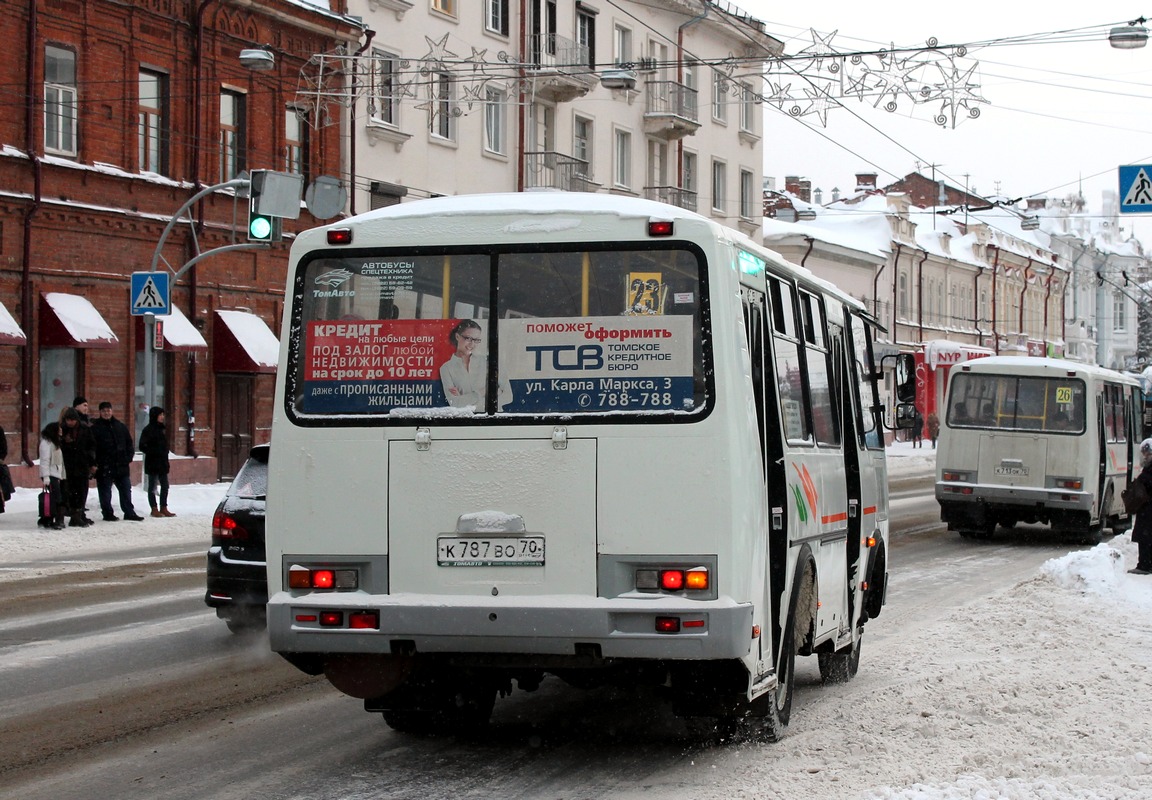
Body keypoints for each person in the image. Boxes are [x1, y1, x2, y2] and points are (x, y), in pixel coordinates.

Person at [91, 401, 144, 522]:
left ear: (112, 411)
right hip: (104, 465)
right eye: (104, 411)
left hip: (121, 465)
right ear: (100, 412)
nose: (106, 413)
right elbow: (91, 447)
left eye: (108, 410)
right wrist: (95, 463)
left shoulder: (120, 426)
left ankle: (129, 512)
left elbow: (129, 443)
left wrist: (128, 458)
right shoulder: (95, 428)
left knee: (125, 489)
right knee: (105, 491)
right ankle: (107, 513)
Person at [59, 406, 96, 527]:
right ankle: (69, 515)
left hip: (82, 465)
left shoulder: (84, 429)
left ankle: (77, 516)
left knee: (81, 492)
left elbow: (91, 446)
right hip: (67, 466)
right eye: (68, 420)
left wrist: (92, 463)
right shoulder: (61, 430)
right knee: (68, 492)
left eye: (72, 420)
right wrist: (65, 442)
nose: (70, 423)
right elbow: (57, 448)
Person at [440, 319, 487, 409]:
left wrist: (463, 399)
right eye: (468, 338)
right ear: (457, 336)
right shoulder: (446, 368)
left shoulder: (485, 362)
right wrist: (482, 392)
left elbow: (504, 394)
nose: (472, 344)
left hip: (487, 420)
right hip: (463, 420)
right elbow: (454, 403)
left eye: (476, 340)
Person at [139, 406, 175, 518]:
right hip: (153, 462)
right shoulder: (148, 430)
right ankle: (154, 508)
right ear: (155, 416)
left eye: (163, 415)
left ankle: (163, 507)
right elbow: (142, 446)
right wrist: (153, 451)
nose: (162, 417)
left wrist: (164, 453)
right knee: (153, 486)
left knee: (165, 485)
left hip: (162, 462)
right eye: (160, 415)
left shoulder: (162, 429)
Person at [38, 421, 66, 530]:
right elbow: (44, 461)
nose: (61, 431)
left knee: (55, 497)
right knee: (55, 498)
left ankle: (48, 519)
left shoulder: (55, 442)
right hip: (50, 475)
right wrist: (46, 476)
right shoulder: (46, 443)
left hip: (55, 474)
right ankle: (53, 519)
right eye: (59, 429)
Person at [1130, 438, 1152, 575]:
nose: (1145, 456)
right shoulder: (1148, 468)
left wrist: (1140, 482)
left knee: (1145, 537)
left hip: (1148, 509)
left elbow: (1148, 482)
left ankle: (1144, 565)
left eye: (1147, 454)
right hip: (1146, 508)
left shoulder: (1149, 470)